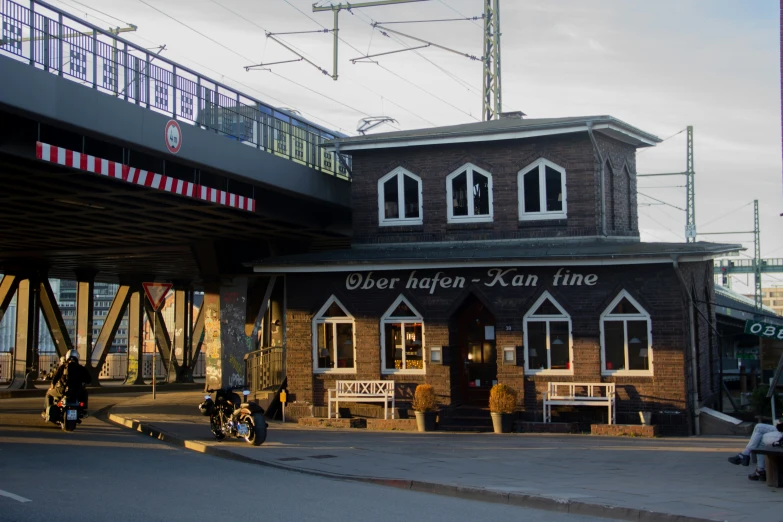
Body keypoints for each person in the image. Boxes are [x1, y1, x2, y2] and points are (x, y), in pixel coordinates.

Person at [44, 350, 92, 421]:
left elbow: (55, 378)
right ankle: (84, 410)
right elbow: (89, 380)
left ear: (67, 357)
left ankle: (48, 413)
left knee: (48, 394)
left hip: (63, 391)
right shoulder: (81, 368)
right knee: (85, 392)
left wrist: (52, 386)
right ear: (77, 358)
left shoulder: (63, 367)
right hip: (77, 392)